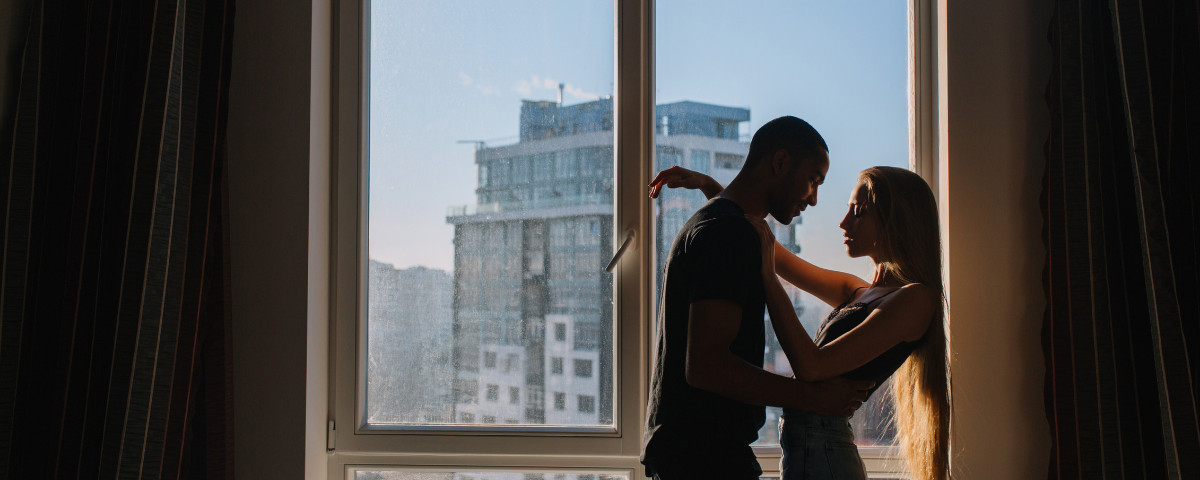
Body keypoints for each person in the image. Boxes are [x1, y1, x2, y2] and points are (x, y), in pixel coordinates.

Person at [650, 164, 950, 480]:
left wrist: (766, 277)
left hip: (826, 454)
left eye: (858, 213)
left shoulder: (917, 299)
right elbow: (775, 253)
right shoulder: (858, 290)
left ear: (897, 222)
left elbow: (812, 366)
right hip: (806, 448)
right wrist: (713, 189)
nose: (844, 221)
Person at [640, 116, 875, 480]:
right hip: (703, 462)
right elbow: (706, 367)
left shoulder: (721, 224)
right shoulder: (728, 234)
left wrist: (706, 183)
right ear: (780, 162)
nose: (813, 200)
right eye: (813, 180)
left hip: (693, 455)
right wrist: (813, 398)